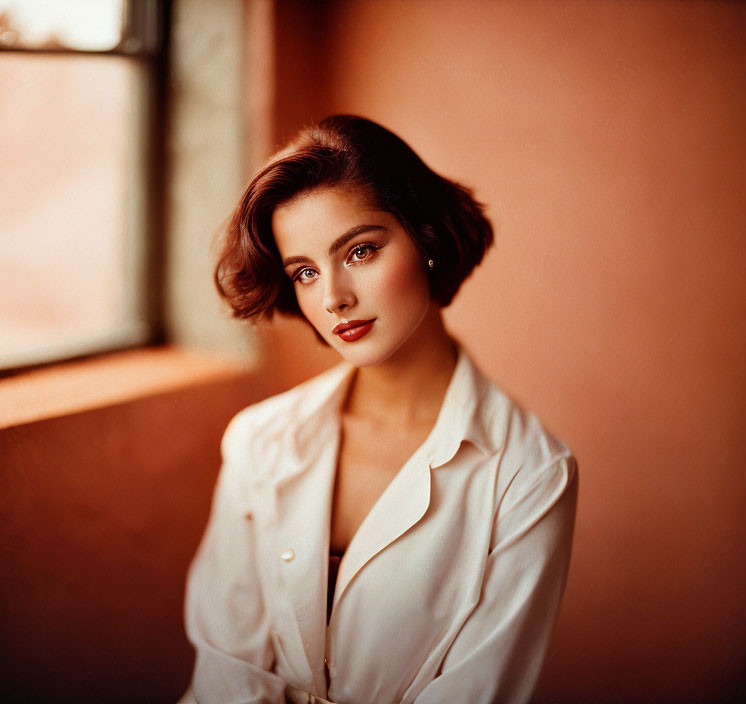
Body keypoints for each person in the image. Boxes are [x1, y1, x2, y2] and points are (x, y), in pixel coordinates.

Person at [183, 115, 578, 704]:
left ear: (427, 238)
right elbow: (224, 675)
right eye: (306, 272)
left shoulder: (529, 474)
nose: (333, 296)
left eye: (361, 250)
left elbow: (477, 693)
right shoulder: (260, 440)